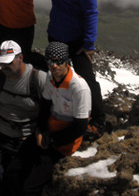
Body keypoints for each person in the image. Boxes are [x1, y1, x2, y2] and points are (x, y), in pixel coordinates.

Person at [41, 0, 105, 133]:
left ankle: (99, 120)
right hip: (56, 37)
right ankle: (61, 112)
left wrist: (88, 44)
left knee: (86, 78)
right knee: (57, 76)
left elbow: (91, 13)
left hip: (77, 41)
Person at [0, 41, 49, 196]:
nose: (5, 68)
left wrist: (39, 131)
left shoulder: (38, 79)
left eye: (9, 63)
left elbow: (49, 110)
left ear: (21, 58)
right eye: (2, 63)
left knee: (17, 178)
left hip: (25, 138)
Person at [20, 41, 91, 195]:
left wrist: (50, 139)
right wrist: (40, 130)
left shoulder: (79, 87)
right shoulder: (51, 78)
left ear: (67, 61)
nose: (54, 66)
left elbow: (79, 127)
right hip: (49, 133)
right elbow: (45, 105)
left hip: (64, 144)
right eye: (50, 61)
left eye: (59, 61)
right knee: (15, 170)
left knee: (30, 187)